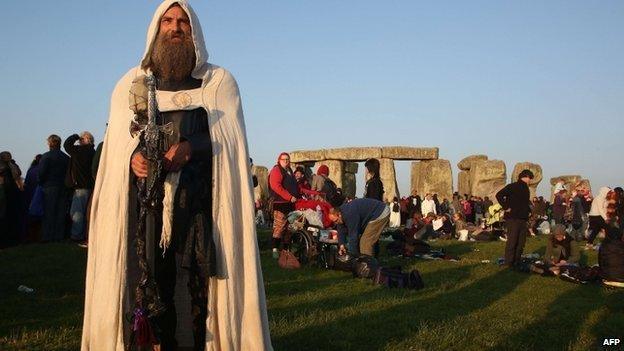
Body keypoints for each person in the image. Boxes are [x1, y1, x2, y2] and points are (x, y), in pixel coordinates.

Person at [81, 2, 272, 350]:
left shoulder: (217, 82)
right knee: (147, 282)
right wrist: (132, 159)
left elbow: (228, 140)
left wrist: (190, 148)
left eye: (182, 21)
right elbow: (118, 147)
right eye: (168, 21)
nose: (175, 27)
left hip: (199, 207)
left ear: (193, 30)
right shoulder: (132, 83)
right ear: (156, 29)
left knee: (194, 287)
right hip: (142, 211)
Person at [496, 169, 534, 269]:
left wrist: (528, 211)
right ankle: (508, 262)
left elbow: (523, 202)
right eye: (530, 178)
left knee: (521, 241)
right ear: (525, 176)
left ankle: (516, 261)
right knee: (512, 241)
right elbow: (499, 195)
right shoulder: (512, 186)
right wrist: (505, 207)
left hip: (523, 218)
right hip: (513, 217)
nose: (530, 180)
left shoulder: (526, 188)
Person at [64, 132, 96, 243]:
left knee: (77, 212)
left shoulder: (80, 151)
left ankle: (76, 235)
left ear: (87, 140)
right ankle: (85, 235)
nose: (80, 141)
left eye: (82, 139)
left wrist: (75, 136)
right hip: (89, 186)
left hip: (81, 187)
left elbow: (67, 145)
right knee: (86, 212)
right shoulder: (93, 152)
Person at [38, 135, 70, 243]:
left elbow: (41, 173)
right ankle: (59, 235)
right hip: (63, 186)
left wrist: (41, 182)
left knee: (49, 212)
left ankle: (47, 236)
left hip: (49, 186)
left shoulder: (46, 156)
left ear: (50, 143)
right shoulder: (66, 158)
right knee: (61, 212)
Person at [269, 152, 299, 258]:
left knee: (289, 228)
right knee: (279, 227)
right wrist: (289, 197)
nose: (286, 161)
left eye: (287, 159)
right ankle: (275, 250)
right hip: (280, 203)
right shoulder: (276, 170)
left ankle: (285, 249)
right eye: (284, 159)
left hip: (290, 204)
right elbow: (275, 186)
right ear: (279, 160)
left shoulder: (289, 171)